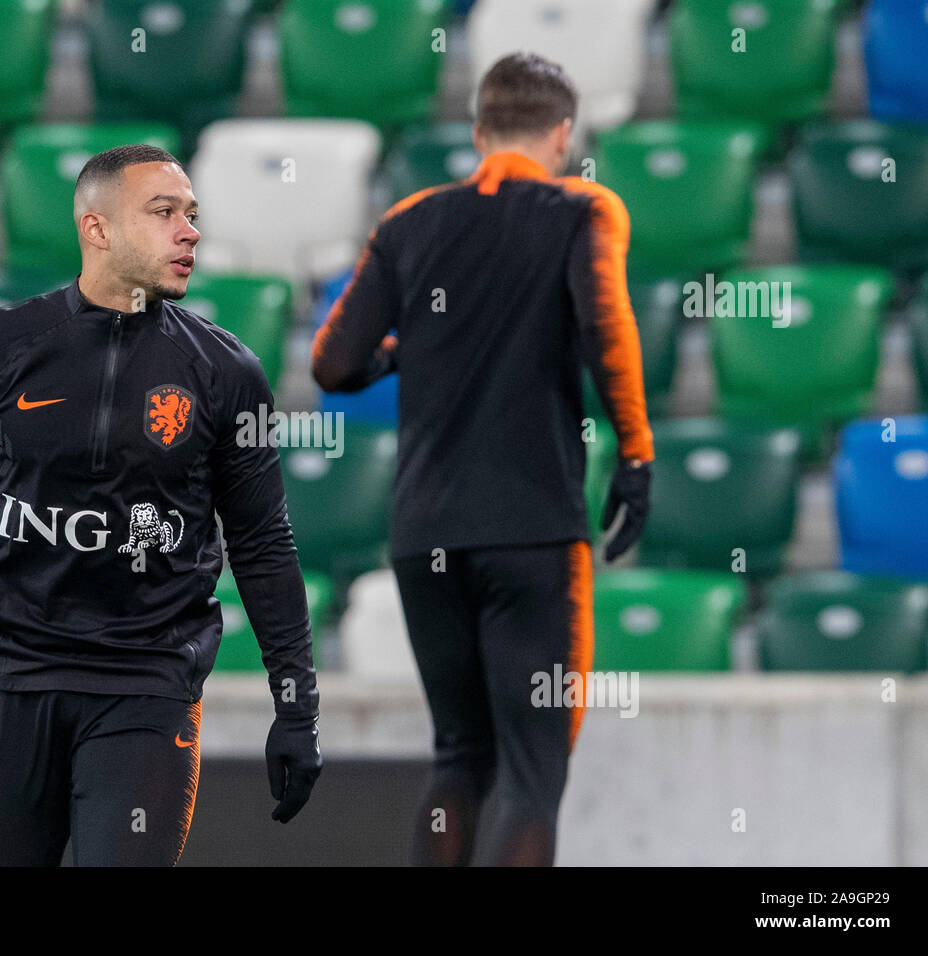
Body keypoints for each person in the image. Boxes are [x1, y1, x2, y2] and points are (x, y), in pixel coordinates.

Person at [0, 144, 322, 866]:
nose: (190, 231)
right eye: (164, 213)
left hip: (147, 686)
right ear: (97, 228)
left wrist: (297, 705)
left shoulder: (226, 372)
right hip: (13, 680)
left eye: (192, 215)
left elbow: (263, 544)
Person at [312, 52, 654, 866]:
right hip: (532, 526)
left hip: (424, 530)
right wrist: (636, 455)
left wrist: (401, 352)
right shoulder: (584, 210)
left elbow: (332, 364)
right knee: (534, 773)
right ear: (562, 133)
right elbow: (608, 329)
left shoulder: (408, 222)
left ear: (478, 133)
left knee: (458, 755)